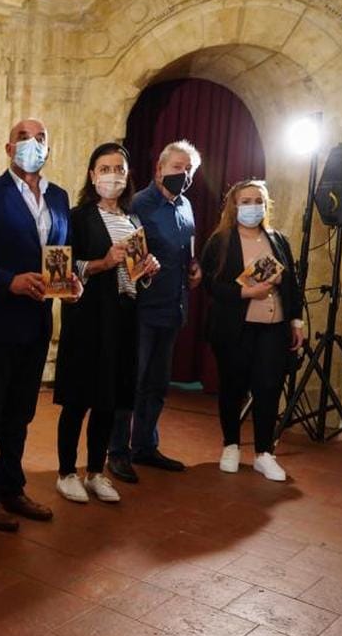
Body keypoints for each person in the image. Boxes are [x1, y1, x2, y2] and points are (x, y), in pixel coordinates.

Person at [0, 118, 78, 531]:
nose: (33, 144)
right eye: (24, 138)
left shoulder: (60, 197)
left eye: (41, 138)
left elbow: (62, 253)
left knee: (21, 412)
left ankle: (13, 487)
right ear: (8, 148)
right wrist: (8, 280)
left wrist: (71, 281)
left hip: (37, 320)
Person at [54, 143, 160, 502]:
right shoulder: (77, 217)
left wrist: (146, 271)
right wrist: (102, 262)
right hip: (88, 318)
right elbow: (67, 268)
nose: (112, 175)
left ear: (128, 176)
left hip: (124, 318)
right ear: (92, 175)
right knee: (78, 398)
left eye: (119, 168)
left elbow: (134, 276)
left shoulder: (134, 221)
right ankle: (67, 471)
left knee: (109, 398)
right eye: (104, 168)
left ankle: (96, 472)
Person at [109, 139, 203, 481]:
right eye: (177, 167)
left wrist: (194, 269)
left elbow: (186, 251)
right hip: (142, 310)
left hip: (174, 308)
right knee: (131, 382)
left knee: (157, 384)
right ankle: (117, 451)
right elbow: (125, 257)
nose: (184, 175)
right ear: (159, 169)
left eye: (189, 170)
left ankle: (145, 446)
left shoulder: (186, 206)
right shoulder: (138, 204)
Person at [200, 180, 303, 481]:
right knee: (233, 387)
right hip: (235, 327)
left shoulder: (278, 239)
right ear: (234, 206)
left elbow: (292, 284)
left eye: (257, 200)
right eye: (245, 201)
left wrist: (296, 321)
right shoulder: (220, 241)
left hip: (273, 327)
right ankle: (230, 445)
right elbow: (210, 285)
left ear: (266, 204)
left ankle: (264, 453)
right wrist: (247, 293)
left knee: (268, 388)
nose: (252, 206)